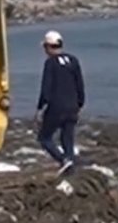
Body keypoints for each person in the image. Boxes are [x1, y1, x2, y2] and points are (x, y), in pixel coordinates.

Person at [35, 29, 85, 173]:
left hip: (56, 107)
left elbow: (46, 88)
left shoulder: (50, 63)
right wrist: (80, 103)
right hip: (72, 106)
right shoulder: (73, 61)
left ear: (49, 47)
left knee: (44, 138)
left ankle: (63, 159)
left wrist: (40, 107)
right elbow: (79, 84)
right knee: (67, 138)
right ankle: (70, 166)